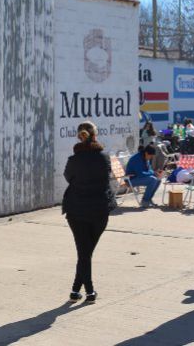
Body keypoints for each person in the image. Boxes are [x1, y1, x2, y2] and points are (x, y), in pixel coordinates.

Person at [61, 121, 117, 303]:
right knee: (86, 253)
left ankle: (76, 290)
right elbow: (107, 177)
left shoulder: (73, 160)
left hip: (76, 210)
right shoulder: (104, 158)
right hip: (99, 210)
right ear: (95, 135)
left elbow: (69, 177)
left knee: (84, 253)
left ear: (80, 135)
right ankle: (89, 291)